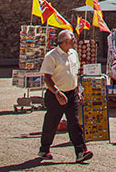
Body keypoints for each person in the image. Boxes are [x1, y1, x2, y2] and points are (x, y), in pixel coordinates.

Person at [38, 28, 93, 164]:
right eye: (72, 39)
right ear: (65, 41)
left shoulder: (74, 53)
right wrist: (57, 93)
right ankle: (44, 149)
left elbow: (76, 72)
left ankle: (81, 151)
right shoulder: (52, 56)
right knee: (52, 122)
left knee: (74, 122)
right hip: (56, 94)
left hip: (72, 92)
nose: (75, 41)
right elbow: (47, 77)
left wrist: (78, 91)